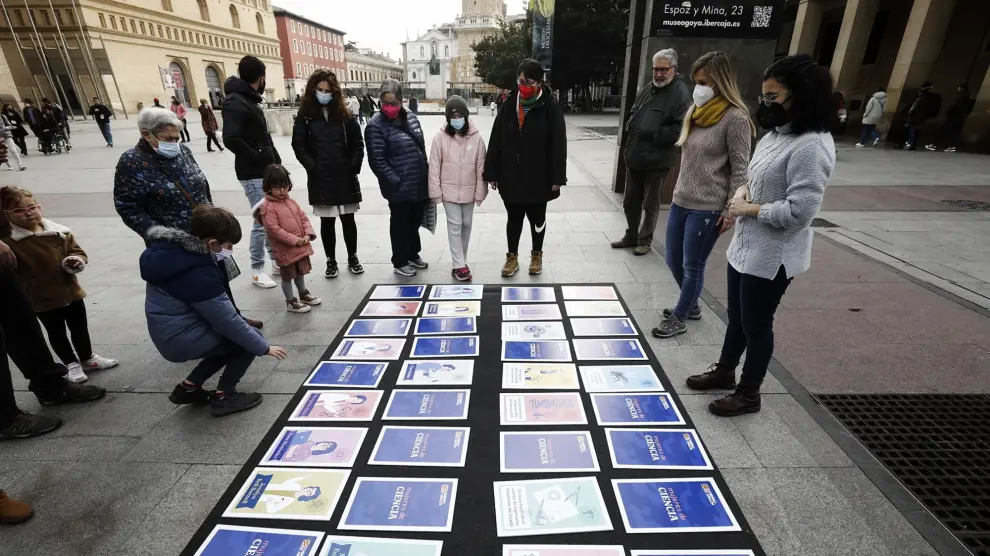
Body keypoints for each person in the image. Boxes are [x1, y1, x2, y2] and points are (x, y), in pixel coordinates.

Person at [685, 54, 836, 417]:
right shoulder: (776, 134)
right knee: (736, 316)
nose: (765, 105)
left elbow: (800, 213)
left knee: (756, 324)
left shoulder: (812, 145)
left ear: (801, 96)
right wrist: (741, 194)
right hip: (746, 247)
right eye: (763, 97)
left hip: (773, 256)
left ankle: (749, 392)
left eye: (774, 97)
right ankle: (724, 370)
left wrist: (750, 210)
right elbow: (755, 179)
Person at [141, 205, 288, 416]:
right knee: (245, 340)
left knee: (228, 343)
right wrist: (263, 347)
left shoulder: (175, 253)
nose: (230, 251)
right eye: (228, 246)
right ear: (212, 243)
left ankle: (188, 388)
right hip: (180, 337)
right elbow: (226, 321)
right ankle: (224, 396)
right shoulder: (198, 274)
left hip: (170, 332)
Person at [651, 52, 756, 339]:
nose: (699, 88)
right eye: (697, 81)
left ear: (721, 82)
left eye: (705, 81)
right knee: (673, 259)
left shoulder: (735, 118)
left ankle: (682, 315)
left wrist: (729, 211)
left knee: (692, 264)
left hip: (709, 206)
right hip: (681, 200)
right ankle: (692, 304)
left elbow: (740, 169)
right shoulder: (696, 112)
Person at [1, 186, 118, 383]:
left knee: (79, 327)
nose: (28, 213)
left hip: (70, 290)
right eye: (18, 210)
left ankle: (87, 357)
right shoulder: (10, 242)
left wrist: (75, 260)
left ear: (39, 207)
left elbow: (78, 251)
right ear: (6, 215)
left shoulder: (59, 232)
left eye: (32, 207)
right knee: (56, 332)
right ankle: (70, 363)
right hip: (41, 297)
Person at [484, 58, 567, 277]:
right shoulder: (510, 104)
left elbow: (559, 143)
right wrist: (491, 171)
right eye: (521, 81)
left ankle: (536, 255)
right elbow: (496, 139)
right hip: (511, 174)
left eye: (529, 81)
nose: (524, 85)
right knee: (514, 218)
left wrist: (558, 176)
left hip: (540, 176)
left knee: (538, 218)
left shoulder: (550, 106)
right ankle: (512, 257)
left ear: (540, 82)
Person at [611, 49, 692, 256]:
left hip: (657, 160)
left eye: (663, 70)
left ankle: (645, 240)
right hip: (636, 156)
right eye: (655, 69)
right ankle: (631, 235)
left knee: (650, 204)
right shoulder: (650, 88)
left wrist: (653, 133)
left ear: (674, 70)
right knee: (630, 201)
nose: (658, 74)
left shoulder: (680, 93)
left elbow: (680, 129)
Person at [291, 70, 365, 279]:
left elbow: (357, 143)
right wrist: (312, 166)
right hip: (320, 176)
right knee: (327, 222)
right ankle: (331, 260)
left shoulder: (344, 114)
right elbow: (299, 145)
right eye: (320, 90)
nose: (324, 94)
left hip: (344, 174)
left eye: (328, 91)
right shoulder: (305, 115)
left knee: (348, 219)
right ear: (313, 90)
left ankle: (353, 257)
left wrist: (353, 166)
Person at [223, 55, 281, 289]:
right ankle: (257, 269)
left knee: (269, 219)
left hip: (264, 170)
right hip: (253, 172)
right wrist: (258, 156)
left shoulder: (248, 100)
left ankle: (275, 260)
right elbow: (231, 138)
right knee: (262, 221)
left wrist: (274, 163)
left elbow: (261, 137)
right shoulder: (237, 102)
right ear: (261, 78)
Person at [114, 108, 213, 238]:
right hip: (171, 243)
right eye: (168, 138)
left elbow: (203, 188)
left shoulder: (184, 151)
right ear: (146, 135)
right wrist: (159, 234)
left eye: (177, 138)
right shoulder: (131, 161)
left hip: (206, 232)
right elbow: (127, 206)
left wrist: (213, 216)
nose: (174, 144)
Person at [365, 79, 430, 277]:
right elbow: (377, 160)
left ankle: (412, 253)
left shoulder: (410, 117)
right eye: (385, 102)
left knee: (414, 220)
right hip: (399, 185)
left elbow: (421, 146)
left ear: (401, 101)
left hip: (417, 182)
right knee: (400, 222)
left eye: (394, 102)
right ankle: (400, 260)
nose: (390, 107)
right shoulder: (375, 125)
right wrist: (395, 180)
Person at [428, 95, 488, 282]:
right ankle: (458, 265)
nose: (456, 119)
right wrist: (436, 192)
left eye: (459, 115)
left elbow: (481, 168)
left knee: (467, 225)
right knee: (455, 225)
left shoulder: (476, 138)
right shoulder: (440, 138)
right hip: (449, 191)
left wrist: (480, 193)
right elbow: (434, 166)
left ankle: (462, 259)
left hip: (469, 192)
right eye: (452, 116)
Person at [255, 165, 322, 313]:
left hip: (299, 247)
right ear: (268, 187)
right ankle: (290, 301)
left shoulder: (290, 202)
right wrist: (294, 240)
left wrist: (307, 234)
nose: (282, 190)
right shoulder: (268, 207)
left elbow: (303, 218)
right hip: (284, 250)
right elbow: (274, 230)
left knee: (299, 272)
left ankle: (303, 293)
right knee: (287, 277)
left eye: (285, 186)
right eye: (278, 187)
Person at [927, 83, 973, 153]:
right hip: (960, 119)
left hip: (953, 118)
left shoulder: (960, 99)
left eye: (959, 88)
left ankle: (934, 145)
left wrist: (949, 113)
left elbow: (955, 108)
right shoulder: (966, 99)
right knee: (955, 133)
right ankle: (952, 146)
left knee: (943, 131)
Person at [902, 81, 940, 150]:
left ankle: (909, 141)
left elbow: (914, 106)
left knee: (911, 129)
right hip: (923, 117)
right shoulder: (930, 98)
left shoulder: (920, 97)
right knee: (917, 131)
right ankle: (913, 145)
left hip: (916, 116)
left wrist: (910, 113)